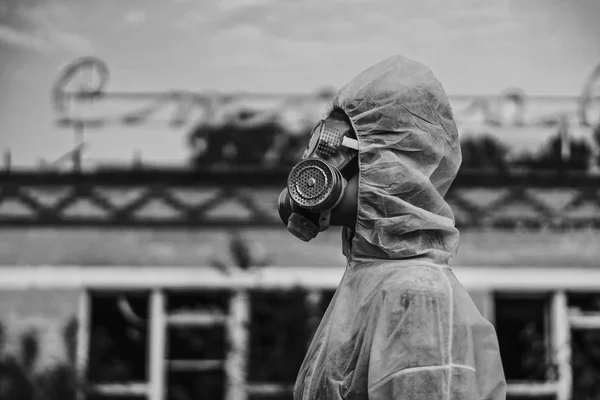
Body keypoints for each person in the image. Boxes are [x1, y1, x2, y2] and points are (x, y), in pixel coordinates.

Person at [278, 55, 507, 399]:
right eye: (314, 146)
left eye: (330, 148)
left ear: (390, 162)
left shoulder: (415, 295)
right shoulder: (372, 278)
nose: (313, 163)